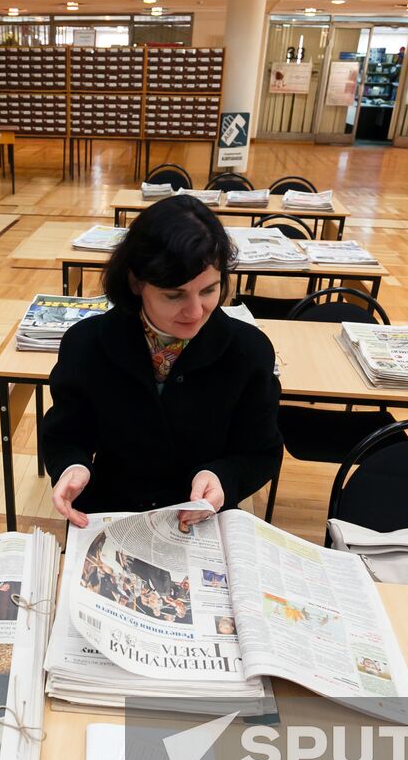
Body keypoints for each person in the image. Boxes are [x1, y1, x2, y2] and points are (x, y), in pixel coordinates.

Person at [41, 195, 282, 527]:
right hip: (110, 513)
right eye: (174, 295)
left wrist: (222, 477)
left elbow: (261, 451)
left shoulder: (248, 351)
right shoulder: (87, 344)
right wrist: (72, 466)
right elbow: (64, 434)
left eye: (209, 290)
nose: (195, 312)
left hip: (201, 518)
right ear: (136, 282)